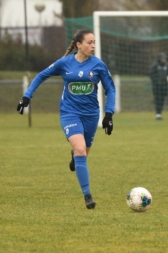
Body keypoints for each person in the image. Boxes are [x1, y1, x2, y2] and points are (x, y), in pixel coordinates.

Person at [16, 29, 116, 210]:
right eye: (89, 42)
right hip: (69, 113)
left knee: (83, 153)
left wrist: (108, 114)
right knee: (80, 150)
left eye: (94, 42)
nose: (93, 46)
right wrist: (27, 96)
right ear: (79, 45)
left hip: (91, 115)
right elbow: (41, 76)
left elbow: (111, 89)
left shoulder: (98, 65)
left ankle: (74, 155)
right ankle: (88, 196)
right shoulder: (64, 63)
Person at [149, 52, 168, 120]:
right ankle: (158, 114)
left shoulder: (167, 66)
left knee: (162, 99)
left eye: (165, 58)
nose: (164, 60)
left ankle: (160, 113)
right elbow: (151, 75)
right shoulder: (155, 66)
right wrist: (156, 81)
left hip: (164, 86)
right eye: (162, 58)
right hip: (157, 86)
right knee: (157, 99)